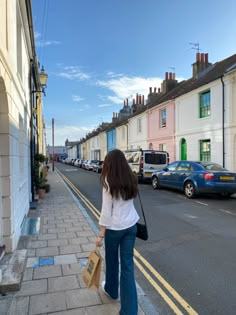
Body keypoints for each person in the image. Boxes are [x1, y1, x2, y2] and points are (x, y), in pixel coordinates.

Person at [96, 149, 139, 315]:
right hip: (131, 227)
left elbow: (106, 211)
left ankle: (112, 290)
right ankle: (130, 311)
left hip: (114, 229)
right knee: (128, 267)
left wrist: (101, 234)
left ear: (110, 163)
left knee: (112, 261)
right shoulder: (131, 178)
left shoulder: (108, 181)